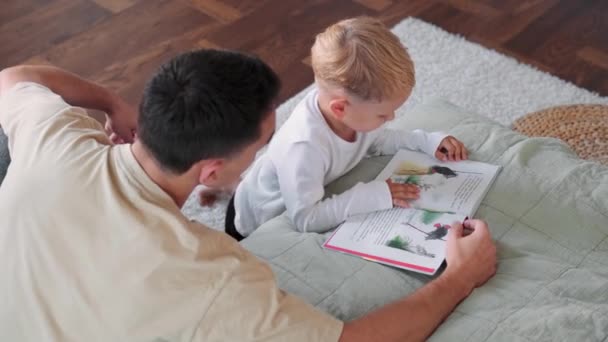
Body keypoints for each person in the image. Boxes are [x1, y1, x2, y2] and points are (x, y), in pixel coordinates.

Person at [0, 49, 496, 341]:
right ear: (212, 172)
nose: (265, 155)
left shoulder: (52, 141)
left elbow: (16, 77)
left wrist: (110, 102)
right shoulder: (215, 277)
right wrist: (459, 278)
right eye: (261, 146)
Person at [229, 17, 468, 240]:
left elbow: (376, 141)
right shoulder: (303, 147)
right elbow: (306, 219)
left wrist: (426, 141)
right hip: (255, 221)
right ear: (340, 109)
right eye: (383, 114)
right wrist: (374, 195)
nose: (392, 117)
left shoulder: (352, 115)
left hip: (305, 184)